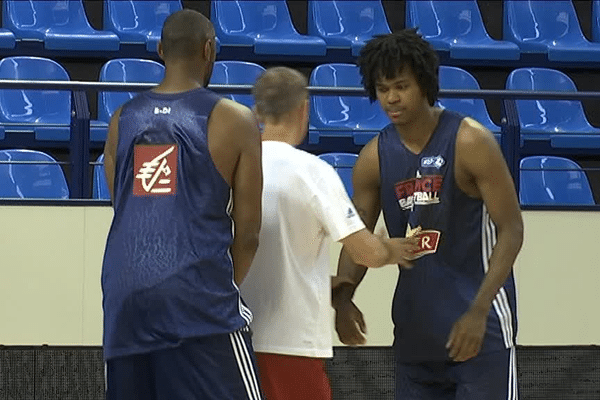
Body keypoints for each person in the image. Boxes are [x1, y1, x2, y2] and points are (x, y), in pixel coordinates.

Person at [333, 29, 524, 400]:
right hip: (414, 334)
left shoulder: (470, 141)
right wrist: (343, 298)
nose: (391, 97)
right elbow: (359, 235)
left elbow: (512, 230)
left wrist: (479, 309)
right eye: (383, 87)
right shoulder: (373, 157)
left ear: (423, 82)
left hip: (478, 333)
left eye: (401, 86)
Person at [101, 9, 264, 400]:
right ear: (210, 50)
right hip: (197, 302)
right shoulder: (236, 119)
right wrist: (206, 289)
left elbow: (122, 208)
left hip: (124, 302)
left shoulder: (120, 118)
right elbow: (249, 234)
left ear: (160, 50)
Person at [240, 66, 419, 400]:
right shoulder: (312, 172)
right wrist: (393, 249)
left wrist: (331, 283)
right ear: (304, 108)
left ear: (258, 111)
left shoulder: (233, 166)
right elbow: (365, 252)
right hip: (292, 342)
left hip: (234, 340)